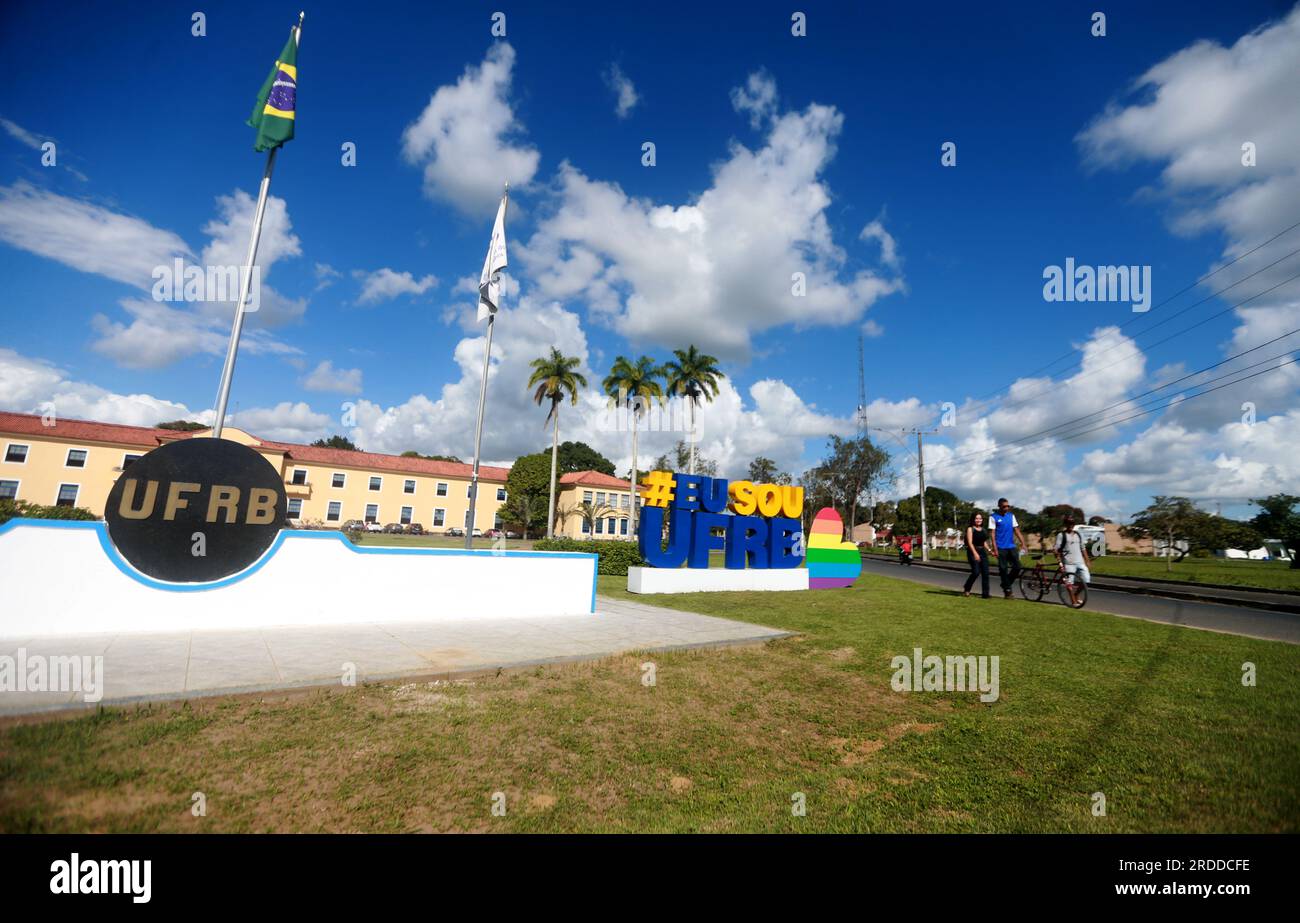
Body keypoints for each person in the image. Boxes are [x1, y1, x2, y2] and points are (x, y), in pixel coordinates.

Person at [989, 498, 1026, 599]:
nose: (1006, 508)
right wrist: (994, 548)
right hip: (1000, 547)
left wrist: (1023, 543)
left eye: (1008, 506)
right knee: (1003, 569)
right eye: (1004, 506)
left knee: (1018, 566)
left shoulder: (1011, 516)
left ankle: (1006, 583)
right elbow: (992, 534)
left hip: (1011, 546)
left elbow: (1016, 530)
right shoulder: (993, 517)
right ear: (999, 506)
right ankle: (1008, 591)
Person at [1055, 515, 1092, 607]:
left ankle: (1076, 595)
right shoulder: (1061, 535)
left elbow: (1083, 548)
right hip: (1068, 563)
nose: (1071, 525)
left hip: (1080, 562)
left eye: (1072, 523)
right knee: (1069, 583)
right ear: (1065, 524)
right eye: (1069, 523)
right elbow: (1056, 548)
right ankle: (1073, 601)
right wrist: (1058, 557)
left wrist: (1087, 560)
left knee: (1086, 580)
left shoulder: (1078, 534)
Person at [962, 512, 994, 598]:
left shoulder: (983, 530)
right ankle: (967, 588)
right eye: (976, 518)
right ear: (973, 519)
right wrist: (975, 553)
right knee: (976, 572)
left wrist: (990, 550)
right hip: (973, 551)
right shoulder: (970, 529)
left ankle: (985, 594)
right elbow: (969, 542)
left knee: (986, 573)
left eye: (980, 518)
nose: (978, 520)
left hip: (982, 551)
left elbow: (984, 542)